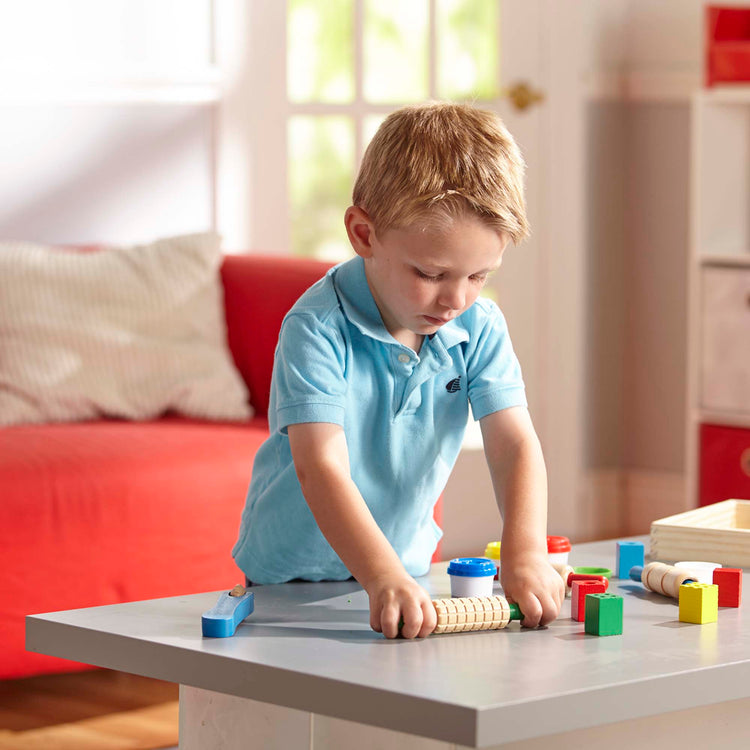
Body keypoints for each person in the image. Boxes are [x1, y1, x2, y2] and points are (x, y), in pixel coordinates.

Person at [232, 101, 564, 639]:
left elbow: (514, 445)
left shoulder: (479, 325)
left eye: (479, 275)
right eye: (431, 273)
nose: (456, 298)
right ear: (364, 235)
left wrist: (526, 551)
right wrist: (379, 575)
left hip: (405, 571)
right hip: (289, 577)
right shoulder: (315, 328)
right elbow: (322, 465)